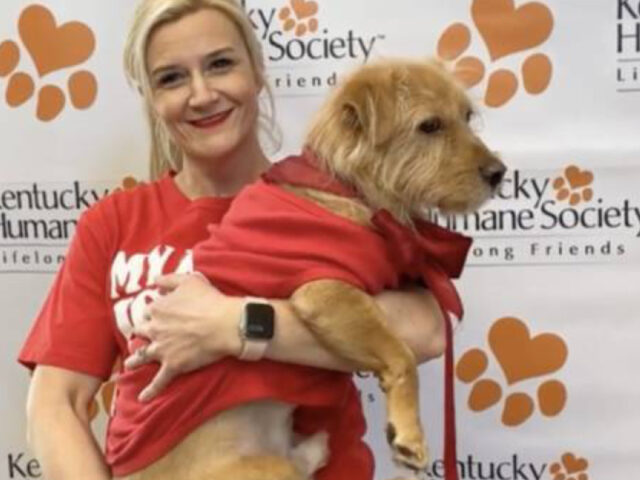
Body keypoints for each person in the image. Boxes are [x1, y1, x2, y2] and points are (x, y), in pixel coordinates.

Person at [19, 1, 447, 479]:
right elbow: (56, 403)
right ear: (150, 98)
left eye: (220, 64)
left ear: (257, 71)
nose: (201, 95)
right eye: (171, 78)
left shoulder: (325, 203)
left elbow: (423, 332)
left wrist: (232, 324)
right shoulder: (113, 222)